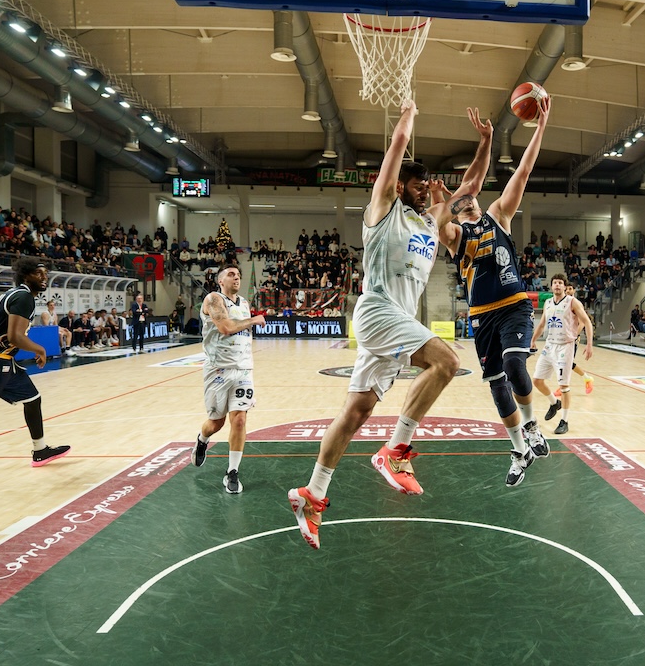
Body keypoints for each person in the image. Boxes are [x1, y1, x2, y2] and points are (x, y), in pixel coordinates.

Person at [287, 102, 491, 550]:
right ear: (401, 186)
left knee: (356, 412)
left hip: (398, 319)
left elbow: (471, 188)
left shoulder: (431, 222)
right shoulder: (383, 210)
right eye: (416, 186)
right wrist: (409, 116)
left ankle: (312, 495)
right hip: (378, 311)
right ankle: (395, 450)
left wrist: (486, 142)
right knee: (447, 361)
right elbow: (396, 148)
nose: (423, 192)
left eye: (425, 189)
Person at [443, 96, 554, 487]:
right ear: (455, 210)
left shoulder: (498, 215)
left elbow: (522, 172)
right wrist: (445, 198)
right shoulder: (455, 236)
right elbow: (448, 209)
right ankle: (519, 450)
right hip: (481, 317)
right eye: (461, 200)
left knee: (512, 365)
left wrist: (539, 128)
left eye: (471, 195)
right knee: (496, 387)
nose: (469, 198)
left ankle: (532, 428)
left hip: (514, 307)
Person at [0, 257, 70, 466]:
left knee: (32, 398)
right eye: (39, 274)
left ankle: (40, 450)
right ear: (26, 275)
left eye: (46, 274)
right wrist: (40, 349)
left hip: (1, 360)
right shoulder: (24, 297)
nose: (44, 278)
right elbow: (15, 337)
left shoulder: (9, 295)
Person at [190, 264, 265, 494]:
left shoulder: (243, 302)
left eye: (238, 275)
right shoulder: (213, 299)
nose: (236, 278)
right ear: (220, 280)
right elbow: (225, 327)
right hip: (218, 371)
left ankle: (232, 472)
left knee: (240, 420)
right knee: (216, 422)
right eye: (231, 274)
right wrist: (253, 320)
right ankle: (202, 440)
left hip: (243, 370)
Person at [530, 274, 594, 435]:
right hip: (549, 345)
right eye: (555, 282)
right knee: (537, 380)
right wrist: (533, 340)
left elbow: (587, 322)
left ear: (565, 287)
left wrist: (589, 344)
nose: (557, 285)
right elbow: (542, 323)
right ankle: (554, 403)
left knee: (564, 386)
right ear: (551, 286)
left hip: (565, 347)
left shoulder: (572, 302)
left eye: (560, 283)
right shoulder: (548, 303)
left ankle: (564, 421)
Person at [553, 284, 595, 397]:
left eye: (570, 289)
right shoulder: (563, 303)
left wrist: (574, 335)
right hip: (562, 338)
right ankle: (586, 379)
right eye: (566, 289)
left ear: (574, 290)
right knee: (565, 363)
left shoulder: (575, 303)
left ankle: (563, 387)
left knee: (564, 363)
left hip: (572, 339)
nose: (568, 291)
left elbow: (582, 323)